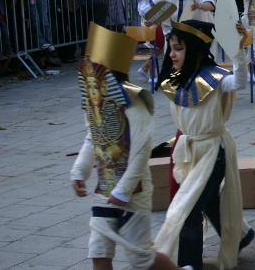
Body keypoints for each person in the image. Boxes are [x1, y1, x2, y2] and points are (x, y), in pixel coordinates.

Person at [71, 23, 191, 270]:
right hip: (104, 190)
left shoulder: (134, 106)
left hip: (133, 193)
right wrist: (79, 172)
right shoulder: (97, 103)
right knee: (99, 251)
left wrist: (123, 190)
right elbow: (92, 138)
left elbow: (140, 151)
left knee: (141, 257)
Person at [153, 19, 253, 270]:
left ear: (195, 48)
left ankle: (189, 264)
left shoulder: (217, 79)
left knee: (188, 209)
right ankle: (241, 236)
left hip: (212, 152)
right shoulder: (175, 79)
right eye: (171, 48)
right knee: (206, 201)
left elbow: (240, 82)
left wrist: (238, 52)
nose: (172, 54)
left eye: (178, 48)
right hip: (189, 151)